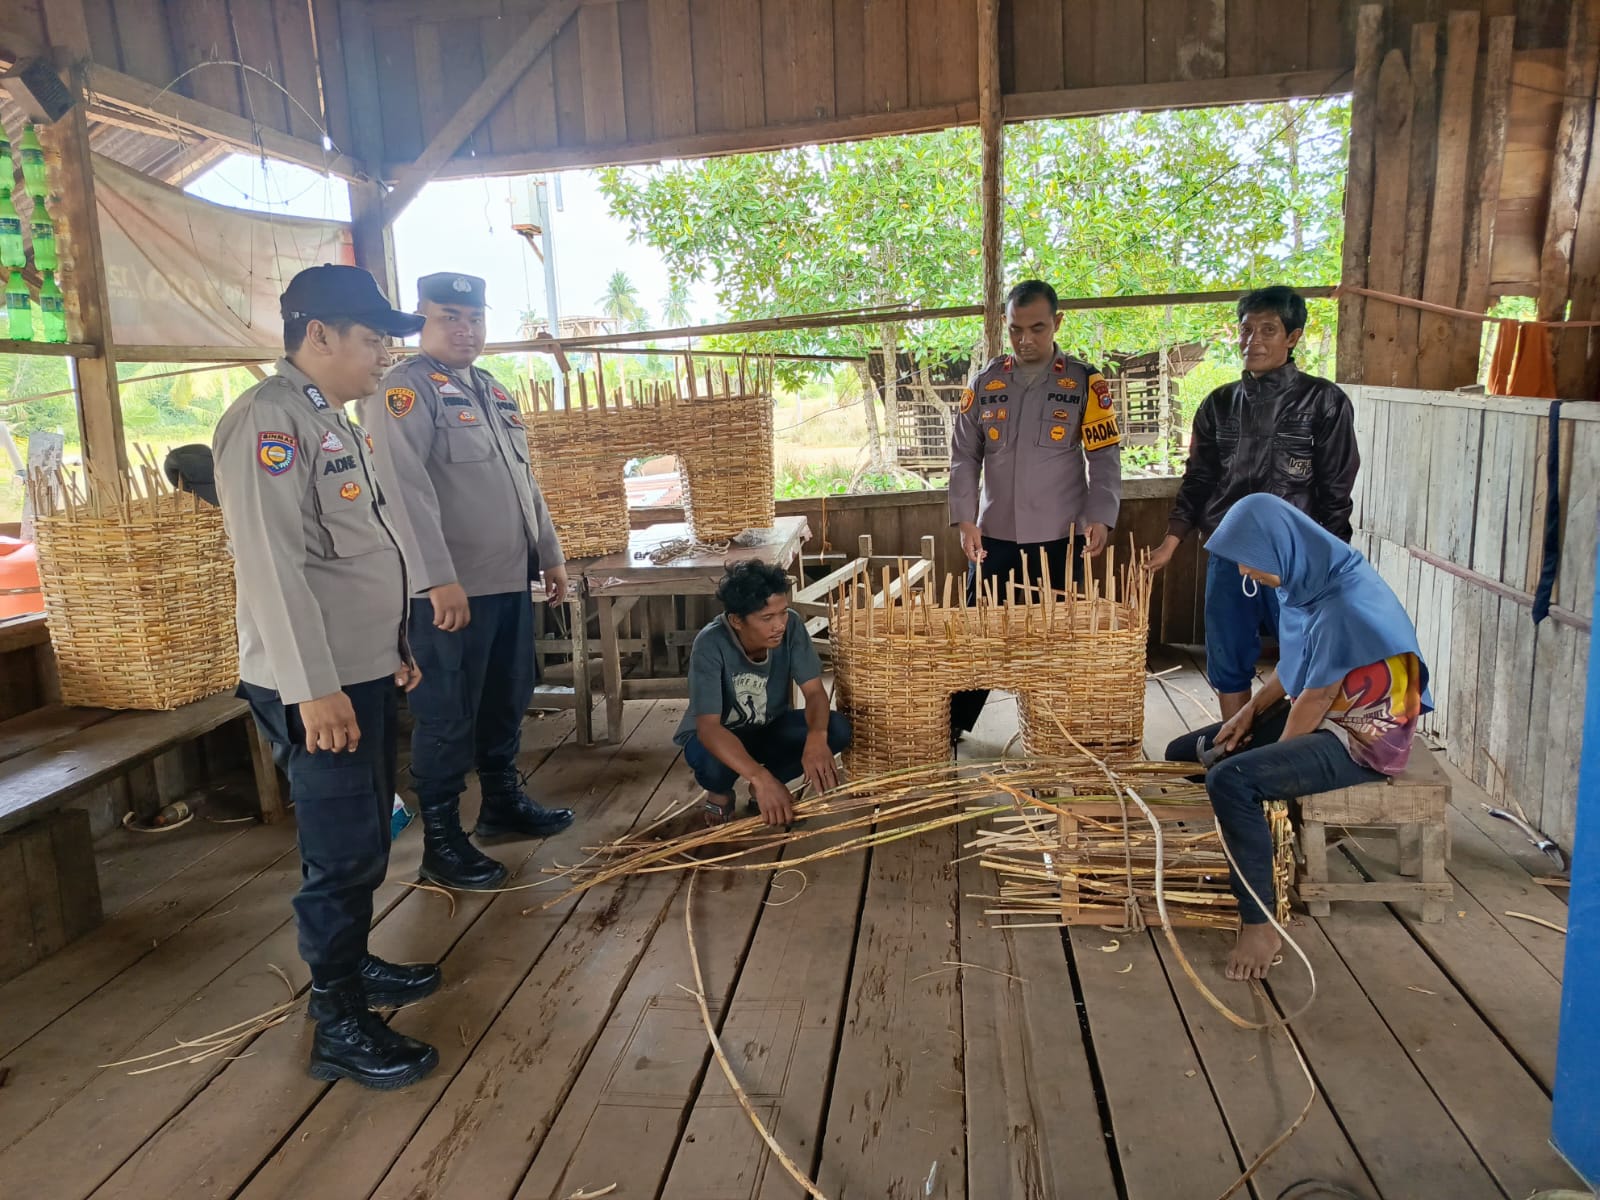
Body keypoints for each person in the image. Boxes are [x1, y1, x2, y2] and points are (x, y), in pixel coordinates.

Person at [213, 264, 439, 1090]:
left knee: (367, 835)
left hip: (358, 670)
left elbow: (357, 553)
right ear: (320, 336)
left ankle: (352, 964)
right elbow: (273, 568)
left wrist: (392, 647)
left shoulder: (328, 418)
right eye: (374, 338)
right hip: (316, 684)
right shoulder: (267, 424)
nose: (383, 355)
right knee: (345, 851)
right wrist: (314, 689)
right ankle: (338, 1020)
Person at [362, 273, 573, 893]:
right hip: (448, 595)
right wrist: (434, 580)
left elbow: (524, 482)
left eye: (474, 317)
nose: (465, 329)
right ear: (420, 322)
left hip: (507, 581)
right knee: (447, 713)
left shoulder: (490, 389)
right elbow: (402, 490)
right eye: (449, 316)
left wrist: (549, 554)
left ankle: (501, 804)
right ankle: (442, 842)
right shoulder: (404, 391)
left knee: (508, 696)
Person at [1165, 494, 1431, 981]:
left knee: (1231, 780)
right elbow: (1295, 670)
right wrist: (1249, 713)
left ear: (1281, 548)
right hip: (1324, 707)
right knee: (1187, 754)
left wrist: (1272, 771)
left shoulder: (1343, 602)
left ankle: (1259, 921)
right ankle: (1242, 833)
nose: (1249, 576)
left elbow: (1313, 699)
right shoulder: (1310, 579)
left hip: (1363, 736)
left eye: (1254, 566)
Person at [1149, 286, 1359, 722]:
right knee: (1227, 651)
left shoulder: (1325, 402)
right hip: (1229, 550)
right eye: (1246, 330)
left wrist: (1331, 561)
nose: (1253, 341)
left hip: (1294, 555)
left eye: (1268, 330)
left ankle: (1288, 750)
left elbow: (1336, 489)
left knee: (1304, 648)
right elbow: (1199, 479)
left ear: (1293, 337)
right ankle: (1233, 742)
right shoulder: (1218, 404)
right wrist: (1172, 541)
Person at [947, 279, 1122, 742]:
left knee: (1057, 638)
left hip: (1060, 536)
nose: (1025, 340)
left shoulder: (1085, 382)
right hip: (995, 533)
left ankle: (1055, 729)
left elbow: (1103, 457)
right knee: (978, 633)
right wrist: (965, 518)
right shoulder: (986, 382)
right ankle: (950, 725)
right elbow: (965, 455)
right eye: (1015, 330)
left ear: (1057, 323)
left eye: (1037, 329)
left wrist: (1100, 516)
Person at [673, 560, 852, 826]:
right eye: (767, 618)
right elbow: (709, 728)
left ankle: (765, 789)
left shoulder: (791, 627)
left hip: (769, 727)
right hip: (721, 735)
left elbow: (815, 693)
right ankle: (721, 792)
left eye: (783, 612)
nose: (779, 624)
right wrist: (760, 776)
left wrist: (817, 736)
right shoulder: (710, 644)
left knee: (836, 728)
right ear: (736, 621)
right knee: (711, 761)